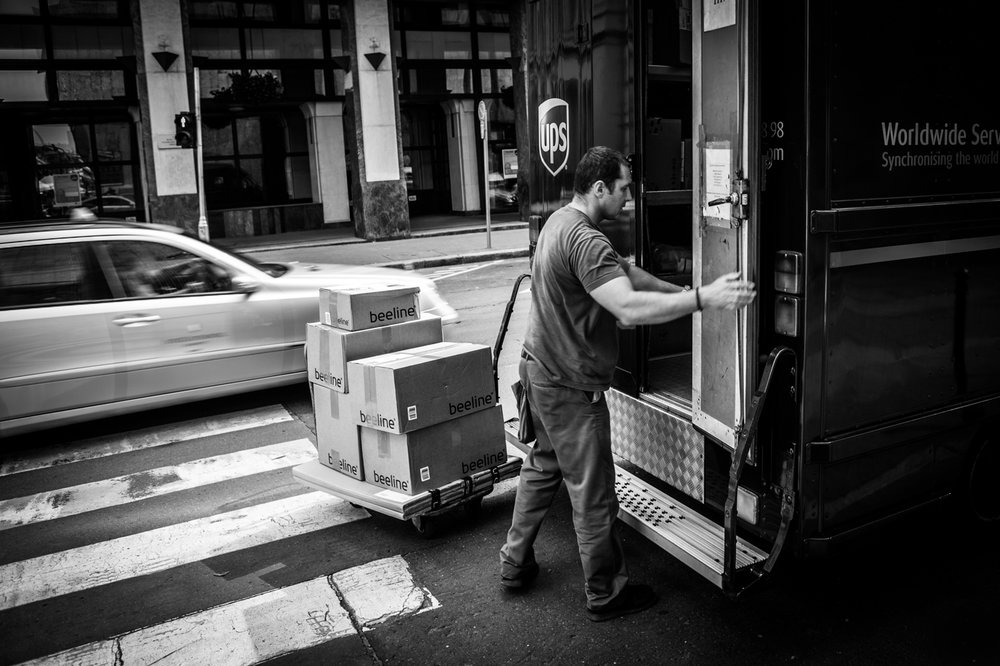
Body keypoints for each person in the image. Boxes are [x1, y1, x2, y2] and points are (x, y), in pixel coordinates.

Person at [499, 146, 756, 622]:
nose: (628, 199)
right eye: (622, 190)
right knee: (594, 495)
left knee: (541, 466)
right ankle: (606, 593)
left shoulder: (562, 223)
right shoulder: (586, 241)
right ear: (599, 188)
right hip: (569, 387)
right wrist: (704, 298)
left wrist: (678, 291)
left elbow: (628, 275)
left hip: (538, 370)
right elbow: (627, 308)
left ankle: (514, 561)